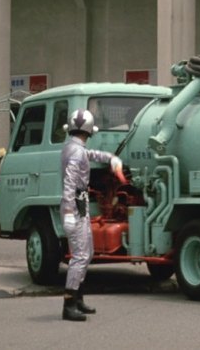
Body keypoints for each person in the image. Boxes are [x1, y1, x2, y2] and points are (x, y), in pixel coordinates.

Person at [60, 109, 123, 322]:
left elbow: (91, 155)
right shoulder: (76, 152)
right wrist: (69, 212)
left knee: (87, 252)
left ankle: (77, 298)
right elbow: (69, 183)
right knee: (80, 255)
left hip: (80, 203)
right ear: (89, 130)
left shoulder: (73, 148)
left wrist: (110, 158)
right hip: (75, 204)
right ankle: (69, 304)